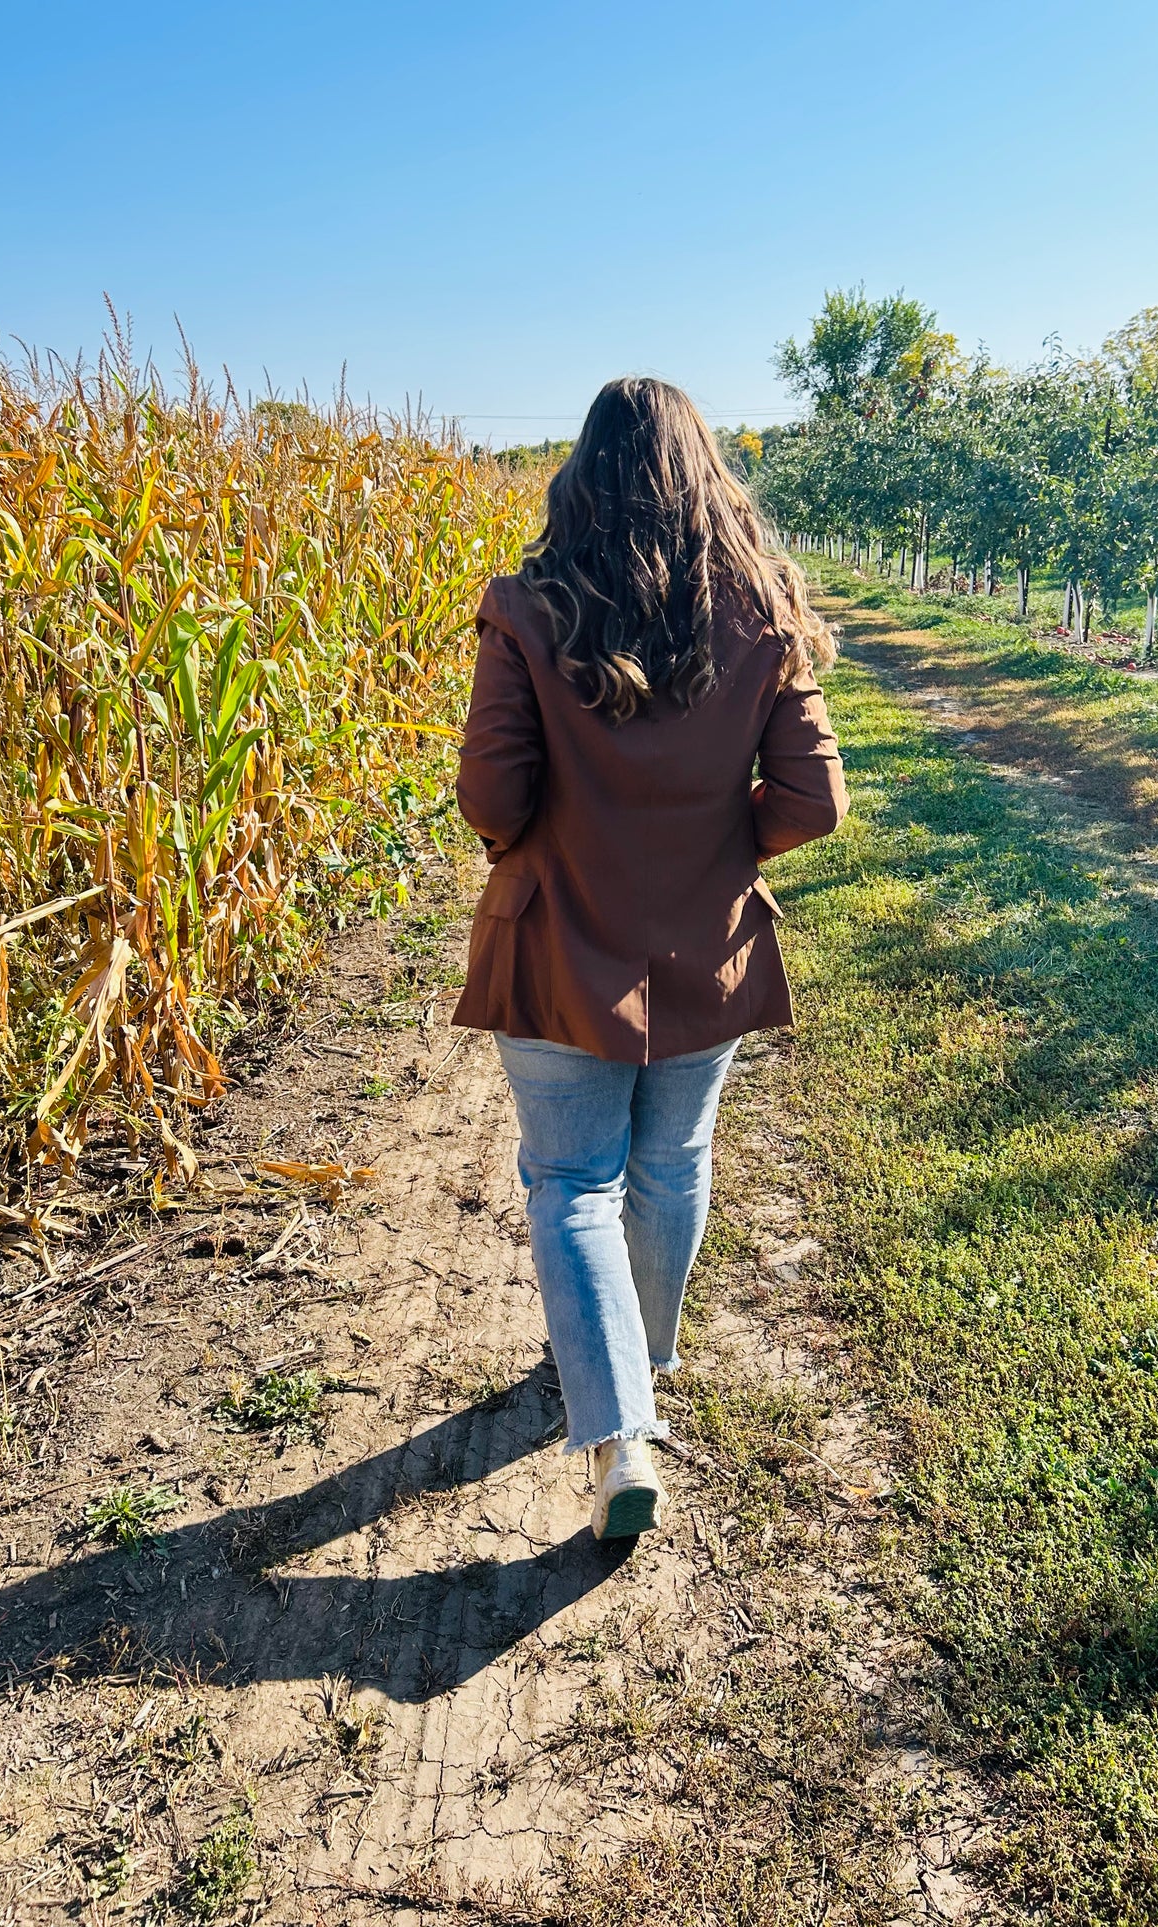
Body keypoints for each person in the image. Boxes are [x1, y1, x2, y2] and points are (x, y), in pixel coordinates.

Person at [452, 377, 847, 1539]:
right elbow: (814, 800)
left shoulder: (528, 608)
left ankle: (621, 1430)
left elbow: (492, 790)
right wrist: (725, 841)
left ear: (581, 475)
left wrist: (532, 842)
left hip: (557, 942)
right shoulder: (762, 608)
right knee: (670, 1162)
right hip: (705, 942)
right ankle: (645, 1364)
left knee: (572, 1183)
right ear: (704, 476)